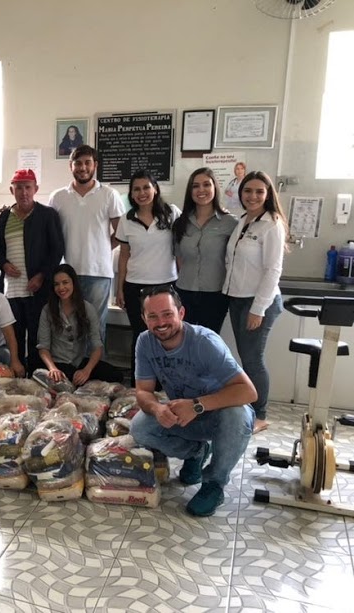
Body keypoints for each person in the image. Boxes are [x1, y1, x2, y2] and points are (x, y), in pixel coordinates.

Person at [129, 285, 256, 517]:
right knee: (140, 427)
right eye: (153, 316)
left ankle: (214, 484)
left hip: (219, 414)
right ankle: (196, 452)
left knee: (238, 415)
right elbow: (143, 391)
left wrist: (197, 405)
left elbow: (248, 392)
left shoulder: (205, 342)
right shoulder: (145, 342)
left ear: (181, 313)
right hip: (184, 414)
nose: (161, 322)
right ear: (144, 319)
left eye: (167, 314)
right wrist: (157, 408)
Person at [223, 170, 288, 435]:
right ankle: (249, 407)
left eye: (259, 191)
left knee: (253, 360)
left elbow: (273, 270)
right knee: (245, 357)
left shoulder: (272, 224)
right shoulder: (243, 220)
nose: (253, 196)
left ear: (268, 194)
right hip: (237, 298)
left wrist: (258, 309)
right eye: (248, 191)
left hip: (258, 302)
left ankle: (260, 414)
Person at [48, 145, 125, 346]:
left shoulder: (109, 195)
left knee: (96, 327)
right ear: (71, 166)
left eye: (87, 163)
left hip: (99, 273)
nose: (83, 167)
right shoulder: (58, 197)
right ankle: (74, 365)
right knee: (70, 327)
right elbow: (51, 233)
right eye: (78, 163)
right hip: (67, 274)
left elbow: (121, 232)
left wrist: (102, 248)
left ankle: (95, 365)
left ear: (95, 165)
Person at [0, 169, 64, 374]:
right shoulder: (4, 217)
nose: (24, 192)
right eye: (19, 188)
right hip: (11, 291)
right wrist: (4, 264)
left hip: (37, 290)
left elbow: (57, 249)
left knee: (37, 337)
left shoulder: (47, 215)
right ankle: (17, 377)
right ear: (11, 190)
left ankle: (36, 378)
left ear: (35, 189)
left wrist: (41, 276)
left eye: (28, 188)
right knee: (14, 337)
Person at [115, 170, 180, 383]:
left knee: (168, 335)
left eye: (146, 187)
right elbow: (124, 255)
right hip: (135, 287)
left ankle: (166, 385)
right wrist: (120, 288)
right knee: (141, 335)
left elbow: (182, 247)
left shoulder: (172, 213)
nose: (142, 193)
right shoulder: (126, 220)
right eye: (136, 189)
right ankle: (140, 385)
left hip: (166, 285)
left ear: (155, 189)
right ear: (131, 194)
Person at [172, 168, 238, 333]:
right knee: (183, 339)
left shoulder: (230, 223)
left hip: (215, 294)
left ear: (215, 187)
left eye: (206, 185)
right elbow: (179, 258)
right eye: (195, 186)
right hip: (184, 292)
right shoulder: (181, 223)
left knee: (209, 340)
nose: (201, 190)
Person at [37, 264, 123, 385]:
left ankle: (75, 383)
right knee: (44, 374)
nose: (61, 288)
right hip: (57, 363)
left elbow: (97, 347)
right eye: (56, 284)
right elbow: (43, 347)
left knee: (115, 374)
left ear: (73, 283)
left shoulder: (87, 308)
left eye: (65, 282)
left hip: (79, 363)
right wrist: (53, 369)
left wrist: (87, 371)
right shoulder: (47, 310)